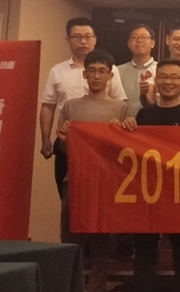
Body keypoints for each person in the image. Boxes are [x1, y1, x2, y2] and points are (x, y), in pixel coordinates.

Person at [118, 59, 180, 292]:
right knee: (144, 253)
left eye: (174, 77)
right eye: (163, 77)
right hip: (149, 192)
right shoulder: (144, 115)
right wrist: (124, 127)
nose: (168, 82)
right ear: (156, 81)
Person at [55, 49, 128, 292]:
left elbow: (125, 151)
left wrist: (121, 132)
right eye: (92, 71)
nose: (97, 76)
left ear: (110, 76)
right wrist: (64, 140)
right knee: (70, 241)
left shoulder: (120, 109)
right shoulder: (71, 107)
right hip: (75, 180)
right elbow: (65, 150)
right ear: (85, 75)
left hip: (106, 183)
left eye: (102, 71)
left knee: (100, 245)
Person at [39, 16, 127, 199]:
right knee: (69, 194)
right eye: (77, 37)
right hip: (68, 140)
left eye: (87, 36)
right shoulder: (57, 71)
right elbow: (48, 106)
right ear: (68, 40)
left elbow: (120, 102)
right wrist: (46, 139)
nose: (83, 41)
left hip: (103, 145)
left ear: (95, 39)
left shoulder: (111, 69)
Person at [116, 23, 157, 117]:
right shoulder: (118, 70)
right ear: (129, 44)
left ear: (152, 43)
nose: (139, 40)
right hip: (124, 121)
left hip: (152, 121)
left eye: (144, 37)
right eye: (134, 37)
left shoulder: (160, 69)